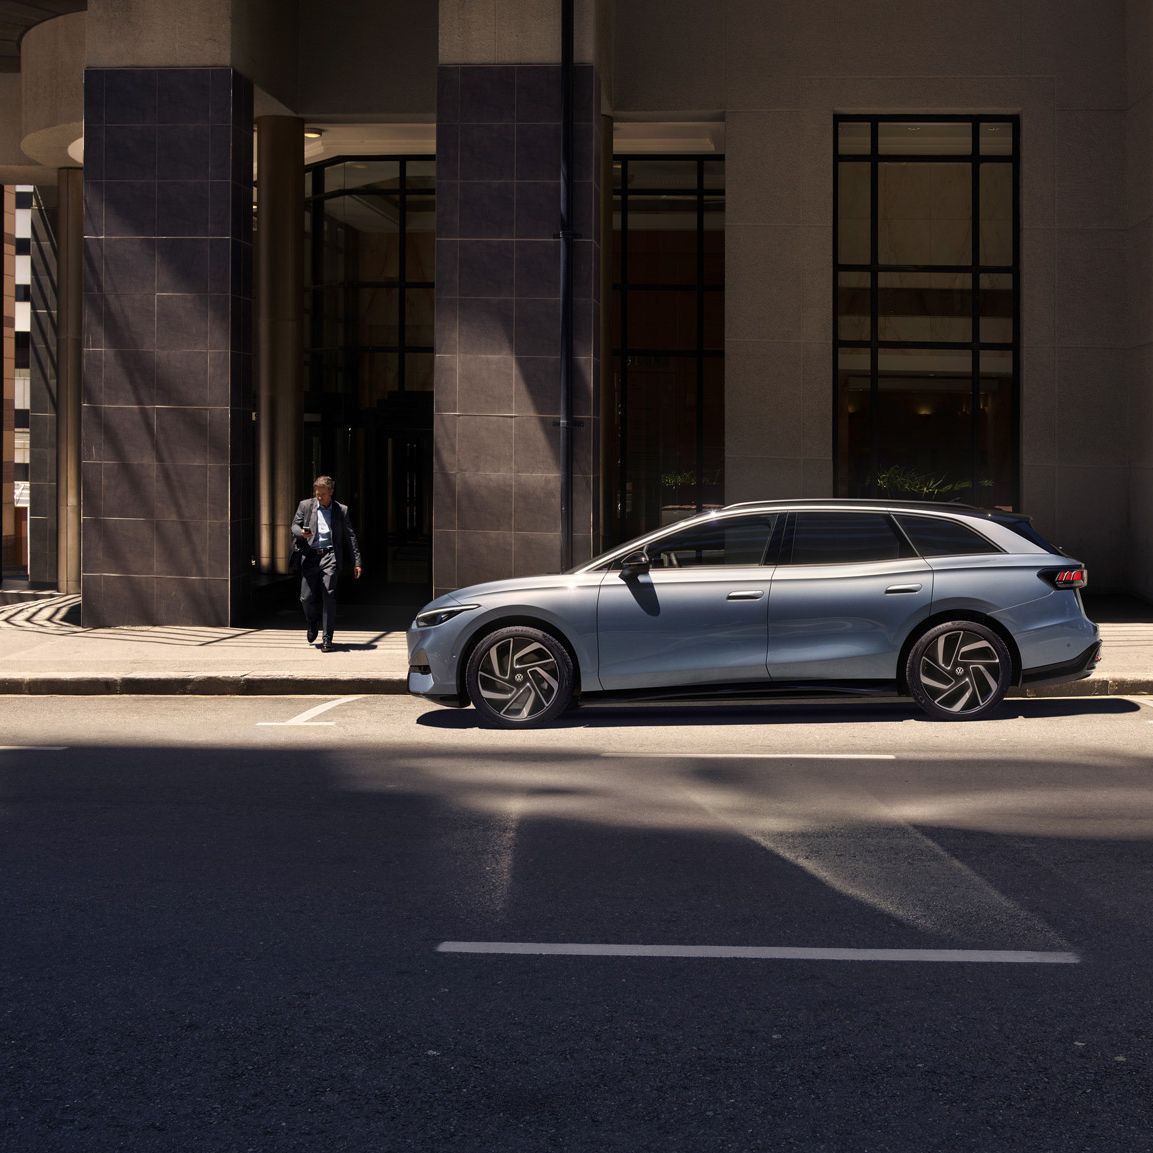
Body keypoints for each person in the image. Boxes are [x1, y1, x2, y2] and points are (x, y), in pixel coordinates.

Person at [290, 475, 363, 652]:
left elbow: (350, 536)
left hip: (329, 556)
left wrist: (357, 562)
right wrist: (301, 532)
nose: (319, 497)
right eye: (317, 494)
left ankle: (327, 637)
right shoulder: (305, 506)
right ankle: (312, 622)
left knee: (329, 596)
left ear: (331, 492)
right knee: (305, 598)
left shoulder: (341, 510)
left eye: (323, 494)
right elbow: (293, 526)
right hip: (310, 555)